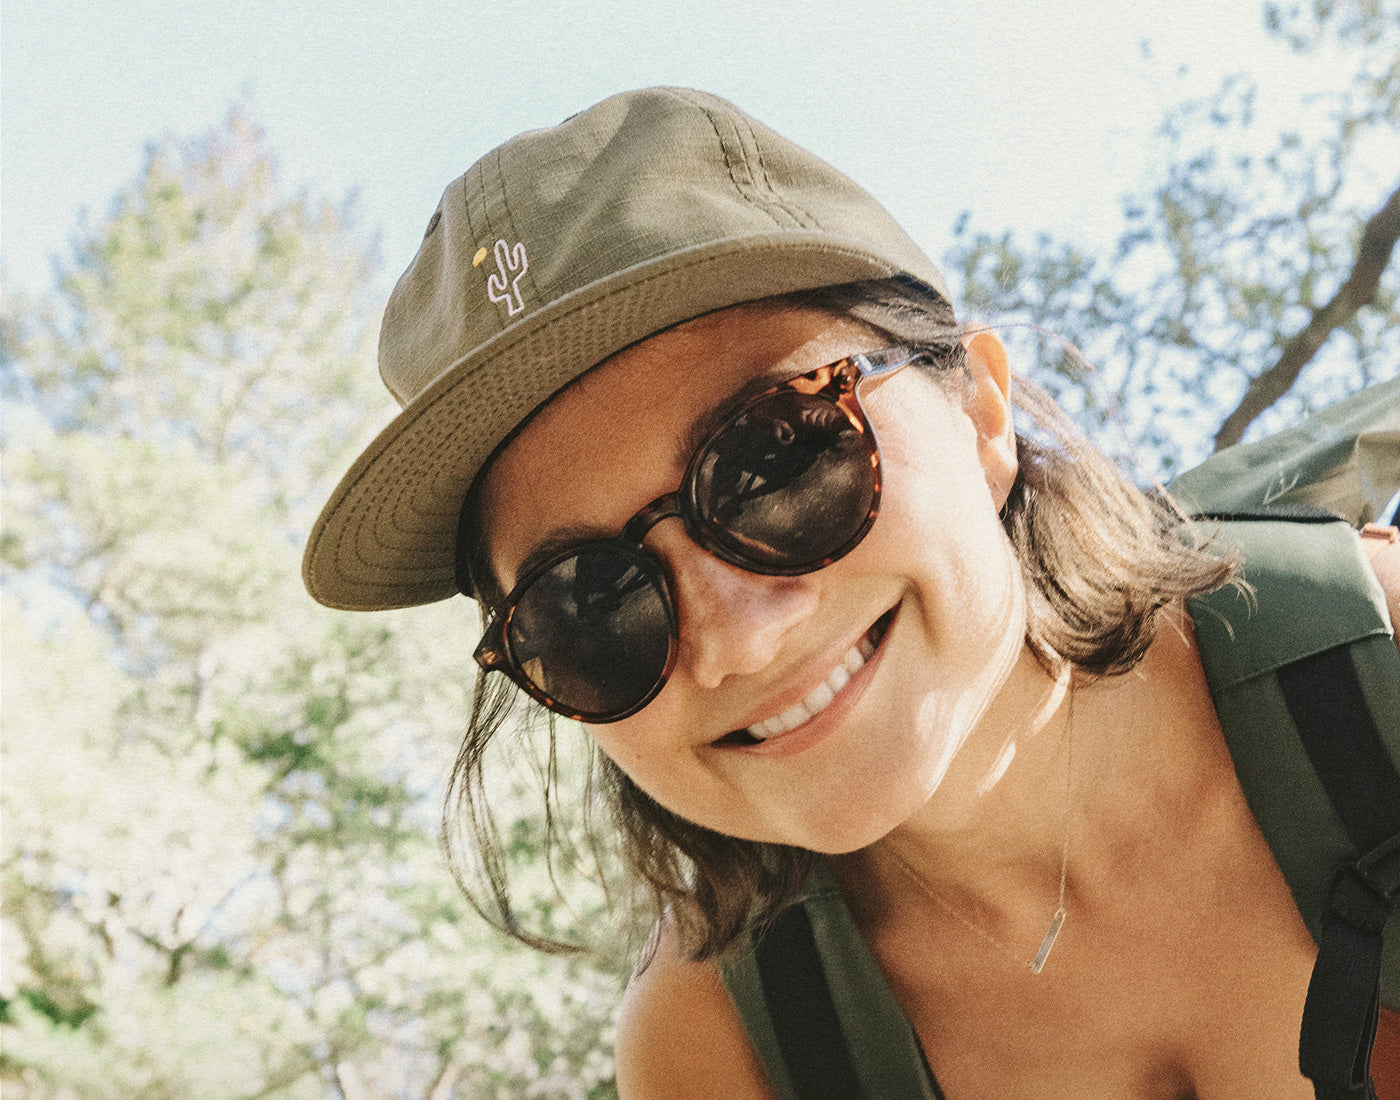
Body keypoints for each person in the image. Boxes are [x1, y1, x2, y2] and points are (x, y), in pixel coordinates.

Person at [303, 88, 1400, 1098]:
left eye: (778, 459)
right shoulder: (720, 1054)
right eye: (586, 603)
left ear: (978, 416)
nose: (732, 637)